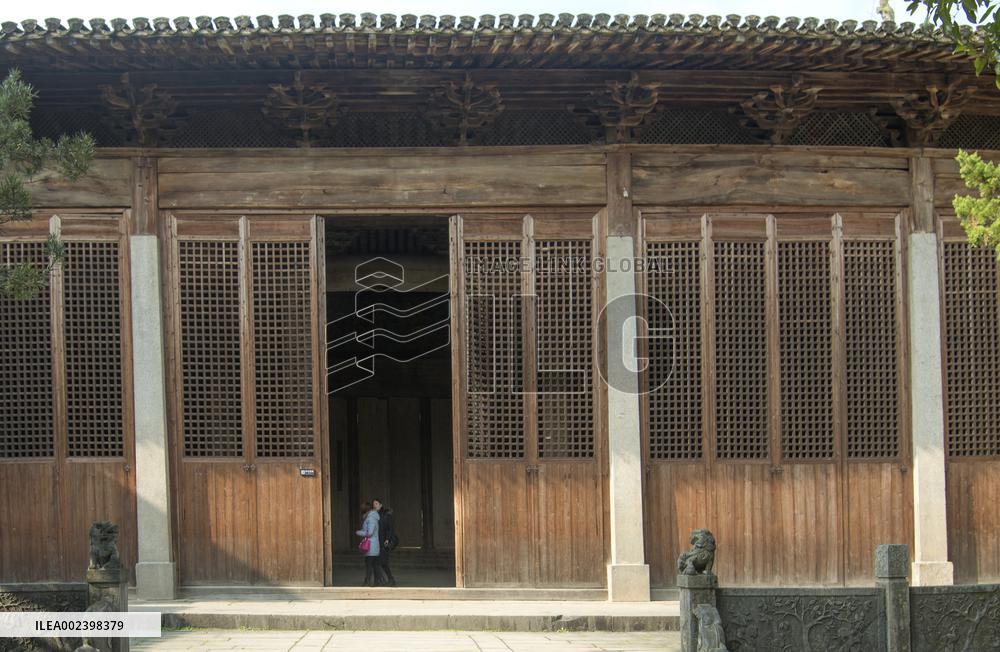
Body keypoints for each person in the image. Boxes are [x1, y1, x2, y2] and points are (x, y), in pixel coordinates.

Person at [355, 501, 382, 587]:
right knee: (374, 565)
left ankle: (367, 582)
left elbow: (370, 533)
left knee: (369, 565)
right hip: (373, 545)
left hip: (371, 546)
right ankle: (377, 582)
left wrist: (359, 532)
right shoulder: (371, 517)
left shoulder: (371, 518)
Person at [377, 502, 398, 587]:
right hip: (383, 542)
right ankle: (386, 579)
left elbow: (390, 530)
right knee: (381, 562)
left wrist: (387, 540)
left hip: (384, 543)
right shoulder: (385, 517)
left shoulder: (386, 517)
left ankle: (390, 579)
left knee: (383, 562)